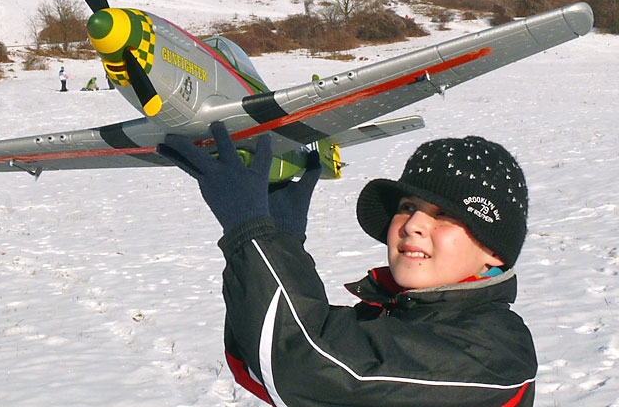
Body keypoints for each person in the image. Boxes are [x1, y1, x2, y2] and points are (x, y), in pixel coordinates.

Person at [158, 122, 536, 406]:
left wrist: (253, 234)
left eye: (444, 215)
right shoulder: (398, 319)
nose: (414, 225)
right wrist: (279, 240)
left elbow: (305, 362)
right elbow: (259, 365)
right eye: (408, 207)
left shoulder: (493, 355)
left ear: (493, 252)